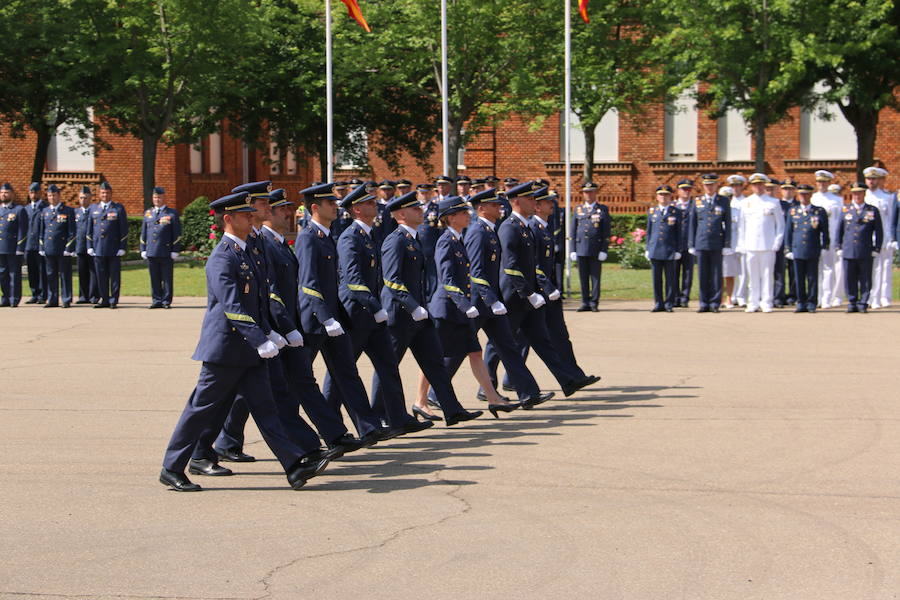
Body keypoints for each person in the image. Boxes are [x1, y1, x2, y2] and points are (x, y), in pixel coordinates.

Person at [159, 191, 329, 492]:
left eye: (252, 214)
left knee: (267, 408)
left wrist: (272, 332)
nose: (252, 217)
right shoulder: (222, 257)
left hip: (250, 350)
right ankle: (172, 467)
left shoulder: (247, 252)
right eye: (245, 215)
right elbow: (233, 306)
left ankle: (293, 466)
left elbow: (259, 302)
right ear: (228, 219)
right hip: (225, 349)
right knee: (201, 410)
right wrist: (260, 338)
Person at [322, 183, 433, 436]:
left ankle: (396, 417)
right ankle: (328, 422)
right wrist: (375, 306)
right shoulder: (350, 237)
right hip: (356, 313)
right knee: (343, 368)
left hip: (373, 313)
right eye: (370, 203)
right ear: (357, 209)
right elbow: (352, 280)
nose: (376, 205)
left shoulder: (369, 235)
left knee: (388, 364)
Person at [375, 190, 483, 426]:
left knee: (434, 362)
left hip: (419, 314)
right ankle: (380, 416)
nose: (421, 211)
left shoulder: (413, 239)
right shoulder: (395, 239)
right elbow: (392, 280)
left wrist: (419, 308)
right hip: (400, 313)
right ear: (401, 214)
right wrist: (413, 307)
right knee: (389, 365)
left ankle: (452, 409)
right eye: (415, 209)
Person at [295, 182, 390, 443]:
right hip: (314, 320)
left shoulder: (326, 236)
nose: (335, 207)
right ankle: (229, 438)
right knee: (299, 380)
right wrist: (325, 318)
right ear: (315, 208)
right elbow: (308, 283)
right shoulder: (308, 237)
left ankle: (367, 427)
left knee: (347, 372)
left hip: (333, 318)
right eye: (330, 203)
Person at [426, 196, 522, 418]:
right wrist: (465, 304)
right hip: (447, 308)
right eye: (462, 213)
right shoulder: (445, 241)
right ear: (450, 218)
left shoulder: (458, 238)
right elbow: (447, 279)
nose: (468, 215)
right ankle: (423, 400)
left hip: (460, 307)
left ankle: (493, 398)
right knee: (433, 358)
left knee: (476, 352)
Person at [498, 181, 597, 396]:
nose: (551, 205)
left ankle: (570, 378)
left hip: (539, 292)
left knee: (548, 338)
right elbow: (522, 265)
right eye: (542, 201)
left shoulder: (538, 227)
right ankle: (493, 383)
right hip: (525, 293)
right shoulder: (523, 226)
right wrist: (539, 289)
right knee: (508, 342)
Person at [464, 188, 555, 408]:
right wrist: (490, 299)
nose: (500, 207)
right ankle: (437, 396)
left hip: (493, 302)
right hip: (479, 302)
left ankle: (528, 393)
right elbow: (476, 271)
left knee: (508, 347)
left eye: (499, 204)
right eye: (494, 205)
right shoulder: (478, 231)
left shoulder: (491, 229)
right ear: (482, 209)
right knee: (456, 350)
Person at [737, 173, 784, 313]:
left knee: (767, 274)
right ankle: (753, 302)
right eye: (755, 184)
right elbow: (741, 225)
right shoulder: (745, 202)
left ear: (764, 185)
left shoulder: (773, 202)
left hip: (768, 245)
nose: (758, 187)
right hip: (750, 245)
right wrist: (742, 244)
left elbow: (780, 225)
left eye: (760, 184)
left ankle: (766, 301)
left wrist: (777, 242)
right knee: (752, 275)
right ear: (751, 186)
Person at [688, 173, 732, 312]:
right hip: (701, 242)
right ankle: (704, 303)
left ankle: (714, 303)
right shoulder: (697, 201)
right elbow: (692, 224)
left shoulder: (723, 201)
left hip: (717, 242)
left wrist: (727, 244)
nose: (709, 187)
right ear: (703, 186)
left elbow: (728, 224)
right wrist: (691, 244)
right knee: (703, 274)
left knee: (716, 274)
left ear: (716, 185)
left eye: (712, 185)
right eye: (707, 185)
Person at [837, 182, 883, 313]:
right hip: (849, 249)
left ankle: (863, 302)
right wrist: (838, 246)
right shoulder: (845, 209)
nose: (857, 195)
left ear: (864, 194)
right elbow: (839, 230)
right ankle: (852, 302)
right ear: (852, 194)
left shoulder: (872, 210)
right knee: (849, 278)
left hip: (865, 249)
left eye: (860, 193)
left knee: (865, 278)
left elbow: (879, 231)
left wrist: (877, 248)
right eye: (855, 193)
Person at [784, 184, 829, 313]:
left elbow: (824, 231)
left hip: (812, 248)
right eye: (801, 194)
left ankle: (811, 303)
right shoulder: (793, 211)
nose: (804, 197)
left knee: (812, 278)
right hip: (797, 249)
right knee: (798, 278)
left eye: (806, 194)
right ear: (798, 195)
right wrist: (788, 249)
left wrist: (825, 245)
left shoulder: (819, 211)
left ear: (810, 195)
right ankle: (801, 302)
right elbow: (788, 231)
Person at [569, 181, 611, 312]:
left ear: (596, 193)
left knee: (595, 277)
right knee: (583, 277)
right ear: (582, 194)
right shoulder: (578, 209)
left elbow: (606, 232)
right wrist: (572, 249)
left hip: (596, 249)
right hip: (581, 248)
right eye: (586, 192)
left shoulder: (602, 209)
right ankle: (584, 302)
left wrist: (604, 249)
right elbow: (573, 231)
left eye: (591, 192)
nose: (588, 194)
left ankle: (594, 302)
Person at [87, 181, 127, 308]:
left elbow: (123, 230)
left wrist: (122, 247)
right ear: (99, 194)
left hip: (113, 248)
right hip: (98, 248)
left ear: (111, 194)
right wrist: (90, 246)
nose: (105, 195)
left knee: (114, 276)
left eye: (107, 193)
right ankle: (104, 299)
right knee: (101, 276)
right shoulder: (93, 208)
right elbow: (89, 230)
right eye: (103, 193)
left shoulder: (118, 208)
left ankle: (113, 300)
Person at [140, 186, 182, 309]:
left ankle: (166, 301)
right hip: (151, 251)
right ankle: (156, 300)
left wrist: (175, 250)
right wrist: (143, 248)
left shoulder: (172, 213)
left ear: (164, 198)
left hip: (166, 251)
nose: (157, 199)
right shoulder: (148, 213)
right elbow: (144, 233)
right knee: (154, 277)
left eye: (159, 197)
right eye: (155, 197)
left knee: (167, 277)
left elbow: (177, 234)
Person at [811, 170, 845, 308]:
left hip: (832, 236)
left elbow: (840, 221)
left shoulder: (837, 200)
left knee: (830, 268)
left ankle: (828, 297)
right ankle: (817, 297)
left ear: (829, 183)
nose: (822, 184)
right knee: (815, 269)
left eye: (824, 182)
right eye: (819, 182)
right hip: (815, 237)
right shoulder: (813, 198)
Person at [37, 184, 76, 308]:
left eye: (54, 195)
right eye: (49, 195)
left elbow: (72, 232)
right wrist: (42, 247)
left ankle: (66, 298)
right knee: (50, 274)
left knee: (65, 275)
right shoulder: (45, 211)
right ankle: (52, 299)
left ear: (59, 196)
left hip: (62, 248)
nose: (52, 198)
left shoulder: (68, 210)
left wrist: (68, 248)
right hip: (49, 248)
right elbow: (42, 232)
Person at [644, 185, 681, 312]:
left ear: (671, 196)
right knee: (656, 279)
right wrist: (647, 248)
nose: (663, 197)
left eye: (666, 195)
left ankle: (669, 304)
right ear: (657, 197)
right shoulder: (652, 211)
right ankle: (658, 303)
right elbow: (649, 232)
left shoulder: (676, 212)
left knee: (670, 279)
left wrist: (678, 250)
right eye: (661, 195)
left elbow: (679, 233)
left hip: (670, 249)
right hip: (655, 249)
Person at [863, 166, 895, 309]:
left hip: (884, 237)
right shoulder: (863, 196)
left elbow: (890, 220)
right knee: (869, 269)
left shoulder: (887, 197)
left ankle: (884, 296)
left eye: (874, 179)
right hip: (867, 237)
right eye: (869, 179)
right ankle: (870, 296)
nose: (871, 181)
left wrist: (890, 238)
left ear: (880, 180)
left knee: (885, 267)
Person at [0, 183, 27, 307]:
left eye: (6, 192)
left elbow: (22, 230)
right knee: (2, 274)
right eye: (2, 192)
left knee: (14, 274)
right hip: (1, 248)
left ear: (12, 194)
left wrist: (20, 248)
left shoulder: (19, 210)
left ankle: (14, 298)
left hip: (13, 248)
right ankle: (5, 297)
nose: (3, 195)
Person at [724, 174, 748, 307]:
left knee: (743, 270)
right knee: (729, 271)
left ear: (742, 186)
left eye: (738, 185)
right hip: (729, 242)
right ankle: (731, 296)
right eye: (733, 186)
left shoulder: (747, 202)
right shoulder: (727, 202)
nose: (735, 188)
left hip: (742, 240)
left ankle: (742, 296)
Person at [774, 178, 799, 307]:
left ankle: (793, 296)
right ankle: (779, 297)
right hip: (781, 241)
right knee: (779, 271)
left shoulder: (799, 205)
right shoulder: (777, 204)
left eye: (790, 189)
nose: (787, 191)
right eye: (785, 189)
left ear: (794, 191)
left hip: (795, 243)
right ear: (781, 190)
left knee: (794, 271)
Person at [74, 186, 98, 304]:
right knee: (82, 272)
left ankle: (94, 295)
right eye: (81, 197)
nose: (83, 200)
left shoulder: (95, 211)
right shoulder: (76, 212)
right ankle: (83, 296)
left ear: (90, 198)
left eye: (85, 198)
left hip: (92, 247)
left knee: (93, 272)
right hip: (80, 246)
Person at [24, 182, 47, 304]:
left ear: (40, 193)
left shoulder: (45, 208)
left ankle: (43, 294)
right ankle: (34, 293)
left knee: (42, 270)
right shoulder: (26, 209)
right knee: (31, 270)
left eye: (36, 192)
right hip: (29, 244)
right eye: (31, 192)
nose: (33, 195)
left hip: (40, 245)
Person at [673, 179, 694, 307]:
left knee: (688, 273)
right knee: (673, 272)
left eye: (688, 189)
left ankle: (685, 298)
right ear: (678, 191)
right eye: (683, 189)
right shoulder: (673, 206)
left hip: (689, 244)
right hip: (675, 245)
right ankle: (675, 297)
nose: (686, 192)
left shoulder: (696, 205)